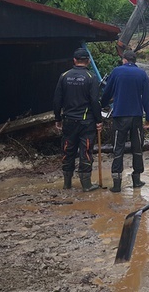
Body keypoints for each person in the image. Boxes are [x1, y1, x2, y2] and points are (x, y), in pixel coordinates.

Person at [100, 50, 149, 192]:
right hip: (136, 117)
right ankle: (137, 180)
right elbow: (147, 98)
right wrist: (148, 119)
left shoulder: (117, 72)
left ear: (124, 60)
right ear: (134, 61)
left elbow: (107, 92)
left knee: (118, 148)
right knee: (137, 148)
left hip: (120, 117)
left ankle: (117, 184)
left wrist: (101, 105)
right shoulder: (142, 74)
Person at [53, 47, 102, 192]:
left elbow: (57, 100)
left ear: (74, 60)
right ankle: (86, 185)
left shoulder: (64, 76)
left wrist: (57, 118)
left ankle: (67, 183)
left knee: (68, 150)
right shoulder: (91, 77)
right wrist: (99, 120)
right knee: (86, 150)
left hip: (68, 120)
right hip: (87, 122)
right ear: (87, 61)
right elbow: (95, 101)